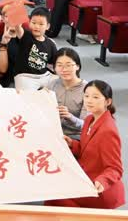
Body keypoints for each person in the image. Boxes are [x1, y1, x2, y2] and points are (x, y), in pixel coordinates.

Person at [45, 81, 124, 209]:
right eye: (86, 96)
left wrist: (102, 181)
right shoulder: (89, 119)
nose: (89, 100)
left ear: (108, 102)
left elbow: (115, 168)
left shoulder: (108, 131)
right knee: (53, 189)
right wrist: (72, 144)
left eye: (95, 97)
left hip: (98, 188)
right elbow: (86, 148)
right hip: (85, 176)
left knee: (55, 195)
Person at [0, 7, 57, 90]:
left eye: (41, 24)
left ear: (47, 26)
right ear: (29, 22)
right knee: (28, 95)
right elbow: (18, 28)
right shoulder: (26, 36)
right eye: (34, 23)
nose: (37, 26)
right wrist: (16, 18)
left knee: (59, 83)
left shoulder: (50, 44)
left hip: (44, 75)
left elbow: (55, 62)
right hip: (25, 76)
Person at [41, 48, 87, 140]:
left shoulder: (87, 90)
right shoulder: (52, 85)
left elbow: (86, 125)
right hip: (52, 132)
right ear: (54, 68)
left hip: (75, 136)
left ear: (77, 66)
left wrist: (70, 117)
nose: (64, 69)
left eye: (68, 65)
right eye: (59, 65)